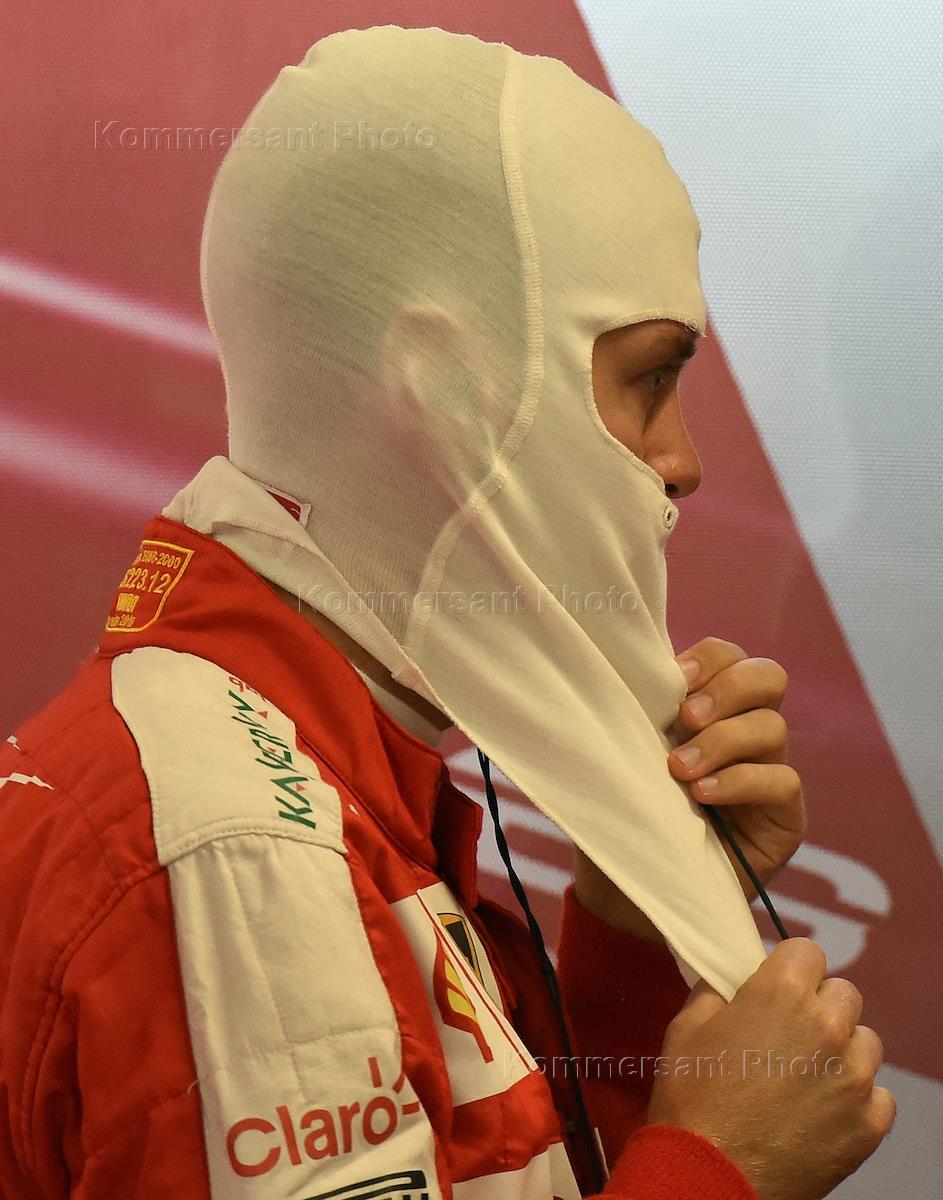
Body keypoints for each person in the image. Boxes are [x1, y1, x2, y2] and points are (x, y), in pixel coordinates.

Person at [0, 25, 894, 1200]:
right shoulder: (242, 846)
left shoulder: (304, 766)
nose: (680, 463)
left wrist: (632, 929)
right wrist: (723, 1172)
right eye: (648, 378)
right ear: (447, 389)